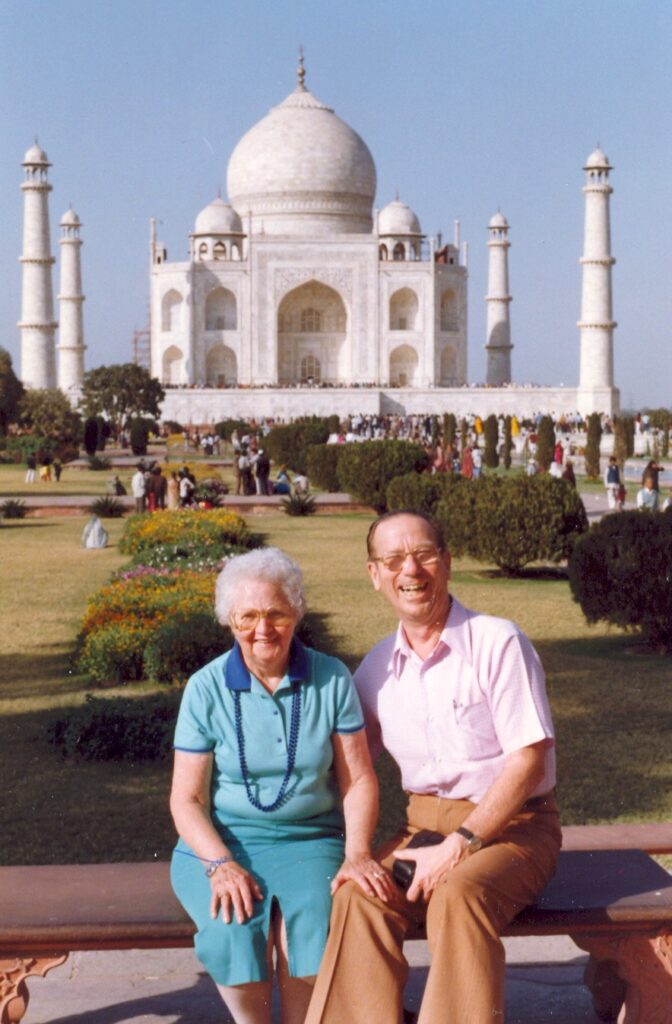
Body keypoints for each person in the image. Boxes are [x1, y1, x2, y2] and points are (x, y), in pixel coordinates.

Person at [306, 511, 560, 1024]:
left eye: (423, 554)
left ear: (445, 562)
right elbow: (346, 766)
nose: (411, 571)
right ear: (375, 575)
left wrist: (461, 844)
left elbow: (529, 759)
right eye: (394, 559)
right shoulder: (377, 668)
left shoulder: (497, 642)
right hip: (420, 830)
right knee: (360, 897)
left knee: (459, 895)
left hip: (513, 829)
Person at [170, 548, 386, 1024]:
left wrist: (357, 853)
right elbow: (186, 799)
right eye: (248, 615)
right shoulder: (205, 688)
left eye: (276, 614)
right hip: (220, 842)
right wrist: (219, 865)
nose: (262, 629)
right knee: (232, 924)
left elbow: (358, 780)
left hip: (311, 840)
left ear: (296, 613)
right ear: (229, 619)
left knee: (311, 924)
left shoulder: (331, 678)